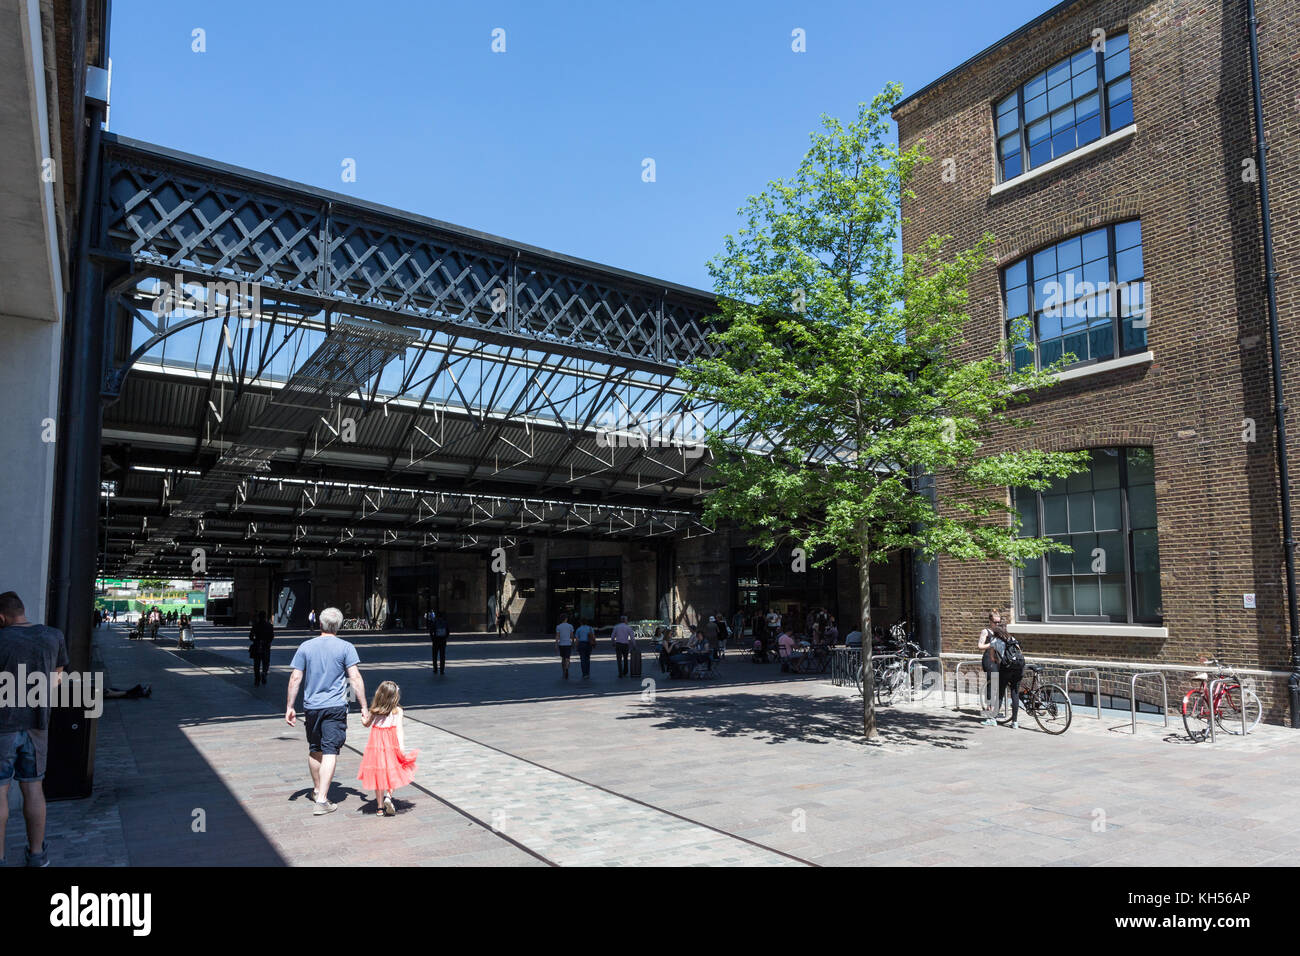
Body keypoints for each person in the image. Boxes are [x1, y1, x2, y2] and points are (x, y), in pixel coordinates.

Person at [0, 591, 68, 867]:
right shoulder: (53, 636)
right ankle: (37, 855)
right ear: (23, 610)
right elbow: (57, 677)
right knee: (33, 789)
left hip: (2, 726)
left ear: (1, 617)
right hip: (38, 725)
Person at [285, 607, 368, 815]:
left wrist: (289, 707)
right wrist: (364, 706)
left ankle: (315, 790)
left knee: (315, 749)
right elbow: (354, 678)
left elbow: (295, 678)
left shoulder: (305, 646)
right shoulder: (346, 647)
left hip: (312, 707)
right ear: (338, 626)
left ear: (320, 624)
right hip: (335, 706)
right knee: (330, 750)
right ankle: (322, 800)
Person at [357, 680, 418, 817]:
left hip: (376, 746)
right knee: (393, 771)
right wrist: (401, 747)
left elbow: (366, 724)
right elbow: (399, 730)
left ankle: (379, 808)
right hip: (391, 745)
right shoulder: (398, 711)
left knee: (379, 774)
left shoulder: (375, 710)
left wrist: (363, 716)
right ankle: (389, 797)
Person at [976, 610, 1008, 727]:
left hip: (999, 660)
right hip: (989, 660)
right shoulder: (986, 631)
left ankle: (995, 710)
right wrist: (992, 644)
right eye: (995, 622)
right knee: (992, 685)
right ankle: (990, 711)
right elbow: (980, 646)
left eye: (999, 622)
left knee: (998, 685)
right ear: (990, 621)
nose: (997, 624)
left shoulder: (1000, 632)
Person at [249, 610, 274, 686]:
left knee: (256, 664)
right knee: (266, 663)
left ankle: (257, 680)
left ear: (259, 617)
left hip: (257, 646)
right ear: (265, 616)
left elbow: (250, 636)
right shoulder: (269, 626)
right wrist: (267, 642)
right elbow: (272, 636)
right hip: (266, 647)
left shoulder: (255, 625)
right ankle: (264, 673)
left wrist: (255, 640)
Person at [427, 610, 449, 675]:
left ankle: (435, 669)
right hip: (443, 641)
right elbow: (448, 632)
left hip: (436, 641)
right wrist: (445, 638)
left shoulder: (434, 622)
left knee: (435, 655)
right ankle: (442, 670)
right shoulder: (445, 622)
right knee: (442, 656)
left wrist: (433, 638)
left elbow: (431, 631)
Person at [555, 614, 575, 679]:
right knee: (568, 657)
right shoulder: (570, 626)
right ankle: (567, 668)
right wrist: (573, 642)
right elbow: (572, 635)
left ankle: (563, 670)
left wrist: (556, 644)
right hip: (568, 644)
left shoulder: (558, 626)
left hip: (561, 644)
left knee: (563, 658)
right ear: (566, 619)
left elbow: (557, 636)